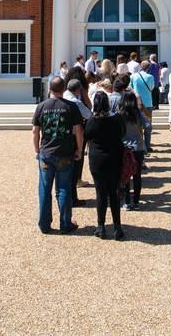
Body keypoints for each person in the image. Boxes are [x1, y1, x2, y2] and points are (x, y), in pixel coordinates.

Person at [32, 76, 83, 234]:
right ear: (64, 89)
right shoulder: (71, 106)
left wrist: (37, 150)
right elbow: (79, 130)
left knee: (44, 189)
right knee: (63, 188)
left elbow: (35, 131)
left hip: (46, 152)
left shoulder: (41, 106)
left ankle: (44, 224)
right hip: (65, 152)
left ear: (50, 89)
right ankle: (65, 223)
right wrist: (79, 149)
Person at [84, 92, 126, 240]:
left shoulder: (92, 121)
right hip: (114, 157)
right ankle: (117, 226)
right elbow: (123, 133)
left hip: (98, 159)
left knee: (101, 193)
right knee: (114, 192)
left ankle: (101, 226)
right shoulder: (117, 119)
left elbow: (87, 136)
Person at [63, 79, 92, 207]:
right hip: (74, 137)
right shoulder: (76, 102)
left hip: (62, 136)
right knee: (74, 169)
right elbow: (89, 115)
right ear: (78, 90)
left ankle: (65, 197)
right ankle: (73, 199)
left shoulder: (63, 96)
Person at [118, 91, 146, 210]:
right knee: (137, 175)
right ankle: (136, 202)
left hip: (124, 147)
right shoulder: (138, 113)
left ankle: (127, 202)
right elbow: (148, 125)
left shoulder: (120, 114)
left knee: (125, 175)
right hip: (138, 147)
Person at [130, 60, 155, 151]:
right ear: (148, 68)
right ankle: (147, 146)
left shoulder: (133, 76)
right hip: (147, 103)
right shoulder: (150, 77)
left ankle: (140, 146)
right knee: (147, 125)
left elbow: (130, 88)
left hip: (136, 102)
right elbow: (151, 88)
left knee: (138, 125)